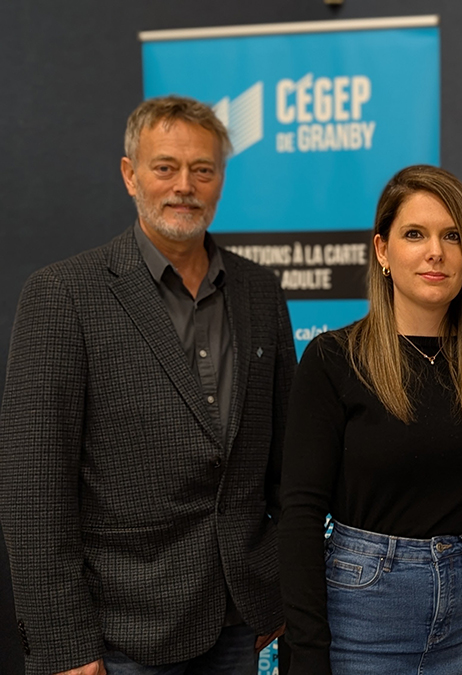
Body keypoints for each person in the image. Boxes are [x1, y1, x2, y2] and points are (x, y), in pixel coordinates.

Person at [0, 95, 294, 675]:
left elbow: (287, 460)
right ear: (130, 175)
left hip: (241, 623)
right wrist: (64, 644)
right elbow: (34, 489)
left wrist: (277, 586)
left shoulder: (260, 291)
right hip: (119, 636)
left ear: (220, 180)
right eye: (165, 167)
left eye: (202, 169)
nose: (185, 185)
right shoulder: (63, 295)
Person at [278, 165, 462, 675]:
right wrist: (307, 653)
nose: (435, 251)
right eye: (415, 234)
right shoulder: (334, 360)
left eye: (452, 236)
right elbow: (301, 515)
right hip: (361, 621)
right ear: (382, 251)